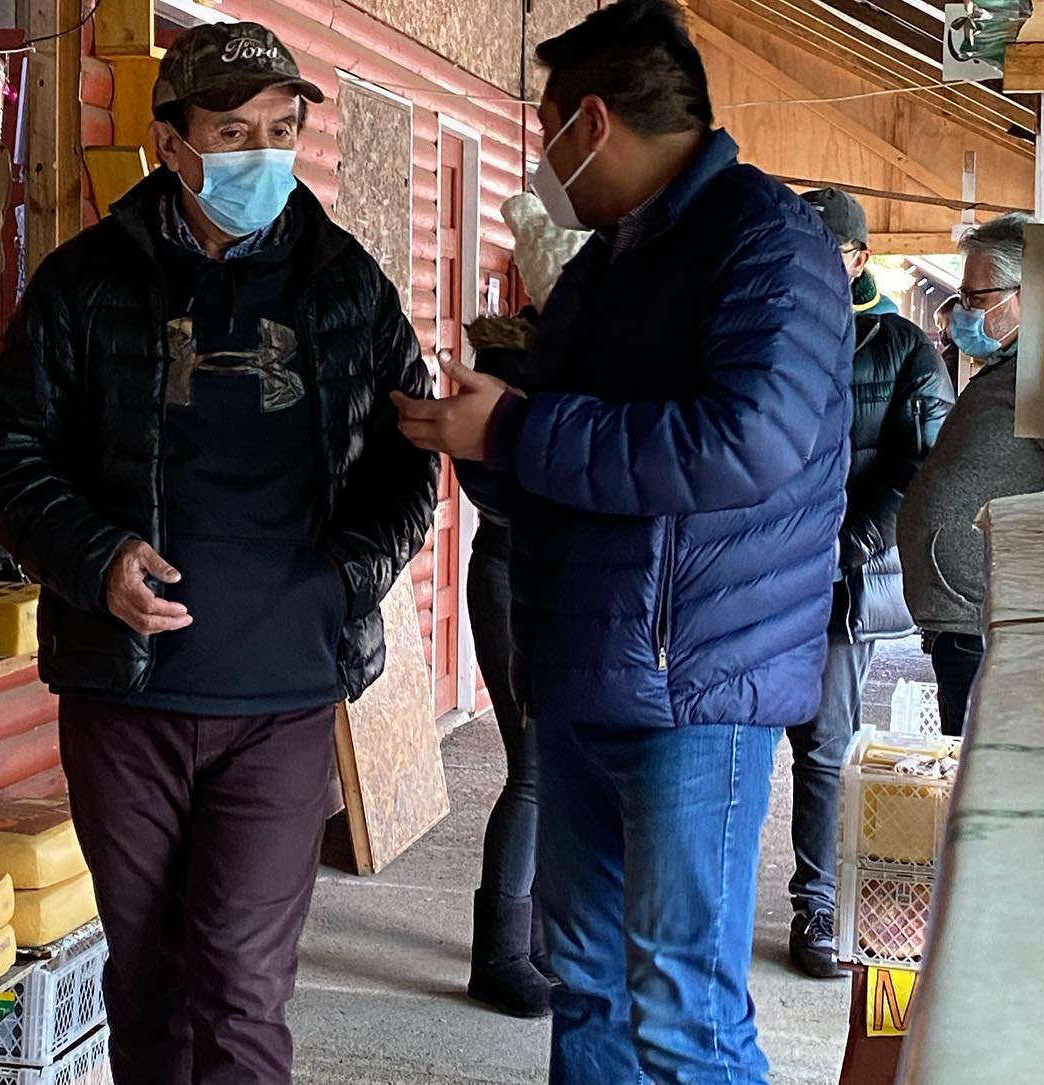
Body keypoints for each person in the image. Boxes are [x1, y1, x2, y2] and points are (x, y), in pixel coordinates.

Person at [0, 21, 438, 1084]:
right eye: (233, 133)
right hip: (127, 696)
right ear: (170, 144)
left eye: (282, 129)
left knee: (242, 982)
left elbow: (411, 458)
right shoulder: (85, 282)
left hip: (283, 695)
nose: (263, 153)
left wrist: (349, 575)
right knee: (149, 977)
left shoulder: (346, 284)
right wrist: (95, 556)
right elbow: (3, 449)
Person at [391, 1, 853, 1081]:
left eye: (546, 129)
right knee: (589, 985)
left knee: (684, 1005)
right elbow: (558, 458)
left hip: (699, 682)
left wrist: (516, 428)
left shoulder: (766, 241)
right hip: (587, 665)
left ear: (590, 122)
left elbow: (744, 443)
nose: (544, 161)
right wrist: (475, 434)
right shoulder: (607, 263)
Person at [785, 188, 955, 979]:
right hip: (761, 573)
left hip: (842, 579)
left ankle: (818, 904)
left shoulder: (902, 347)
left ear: (860, 257)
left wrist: (850, 543)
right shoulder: (767, 326)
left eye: (829, 250)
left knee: (824, 745)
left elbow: (919, 463)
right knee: (735, 739)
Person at [465, 195, 588, 1019]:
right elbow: (492, 478)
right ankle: (501, 952)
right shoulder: (511, 359)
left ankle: (539, 937)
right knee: (535, 766)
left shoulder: (601, 356)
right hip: (514, 571)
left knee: (562, 768)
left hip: (574, 582)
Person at [899, 213, 1044, 736]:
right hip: (973, 622)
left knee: (981, 769)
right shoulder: (1014, 369)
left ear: (1026, 294)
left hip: (996, 627)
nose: (963, 311)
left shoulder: (1039, 372)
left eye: (977, 298)